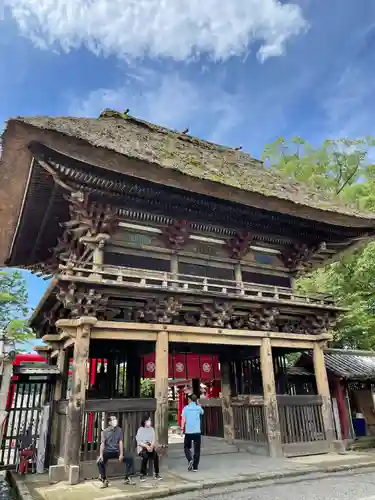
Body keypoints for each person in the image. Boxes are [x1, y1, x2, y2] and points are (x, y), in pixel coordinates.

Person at [97, 414, 135, 487]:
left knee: (130, 458)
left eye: (115, 419)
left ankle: (127, 478)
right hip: (108, 451)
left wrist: (121, 454)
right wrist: (101, 455)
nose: (115, 421)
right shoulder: (105, 432)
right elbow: (102, 443)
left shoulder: (119, 430)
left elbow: (120, 442)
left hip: (117, 451)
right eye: (113, 419)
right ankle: (104, 479)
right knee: (99, 461)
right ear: (109, 422)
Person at [135, 415, 162, 482]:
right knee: (145, 456)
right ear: (145, 421)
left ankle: (156, 473)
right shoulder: (140, 430)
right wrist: (146, 446)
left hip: (150, 447)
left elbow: (153, 440)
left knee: (156, 456)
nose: (150, 422)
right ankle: (142, 474)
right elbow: (139, 442)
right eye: (148, 420)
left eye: (150, 420)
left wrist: (151, 446)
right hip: (142, 448)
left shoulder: (152, 429)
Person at [181, 393, 204, 472]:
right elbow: (202, 412)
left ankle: (190, 459)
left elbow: (183, 419)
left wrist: (181, 429)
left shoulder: (186, 408)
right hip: (197, 432)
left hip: (189, 432)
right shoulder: (198, 408)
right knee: (197, 449)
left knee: (186, 446)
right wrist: (198, 404)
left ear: (190, 400)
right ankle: (195, 467)